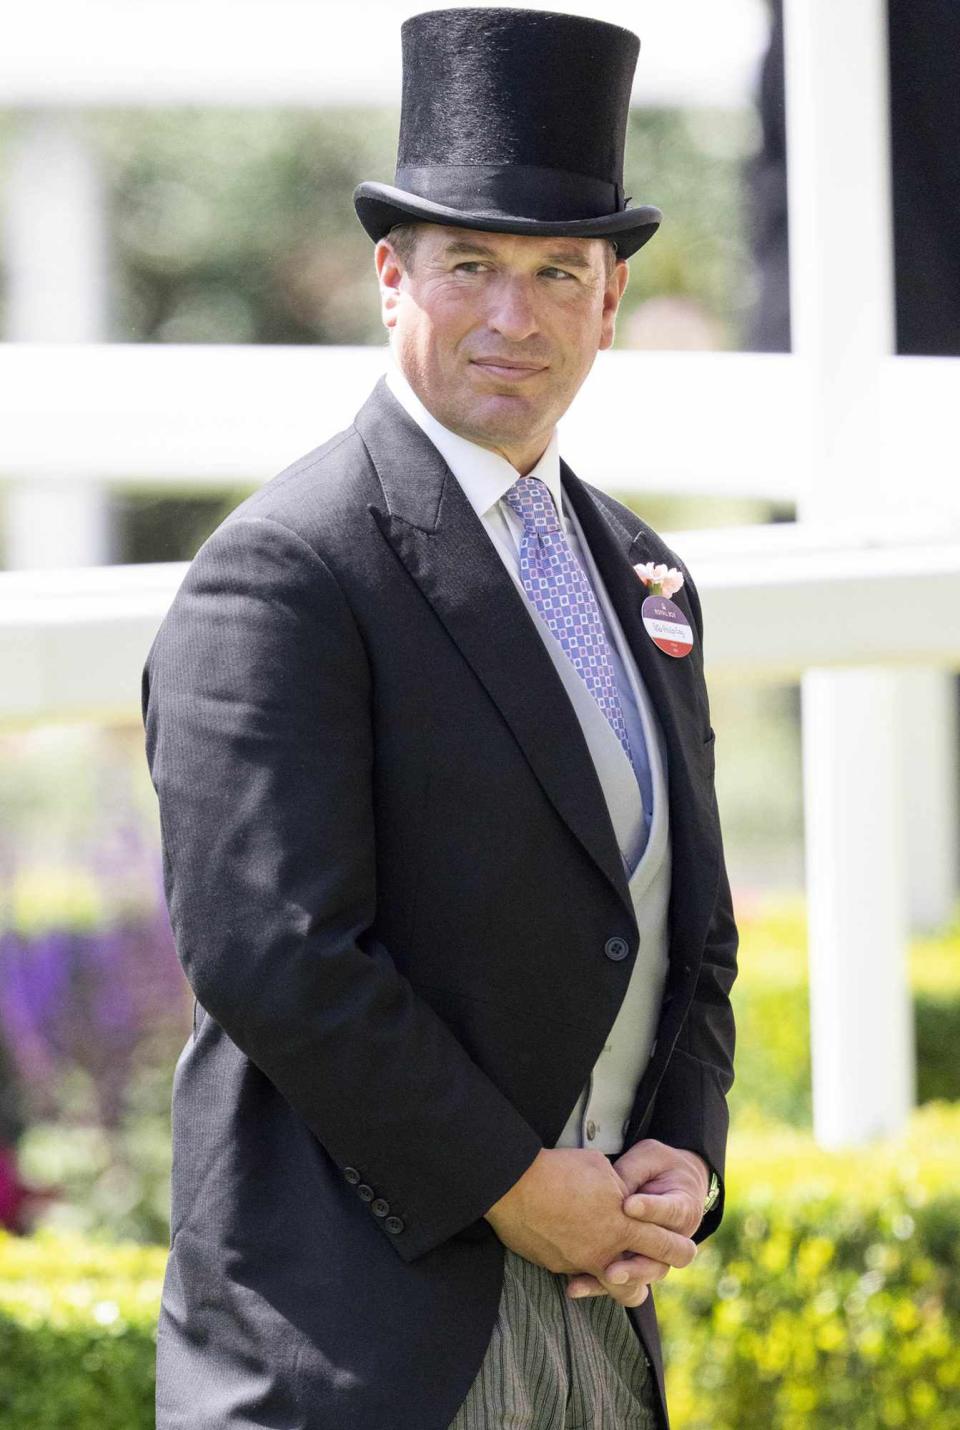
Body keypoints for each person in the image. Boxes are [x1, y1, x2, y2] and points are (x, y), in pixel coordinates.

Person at [141, 8, 738, 1428]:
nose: (513, 317)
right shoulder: (287, 568)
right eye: (470, 265)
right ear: (390, 279)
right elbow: (275, 954)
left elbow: (690, 930)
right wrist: (520, 1188)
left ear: (610, 300)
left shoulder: (649, 576)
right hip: (360, 1345)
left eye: (556, 272)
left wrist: (683, 1156)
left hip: (601, 1320)